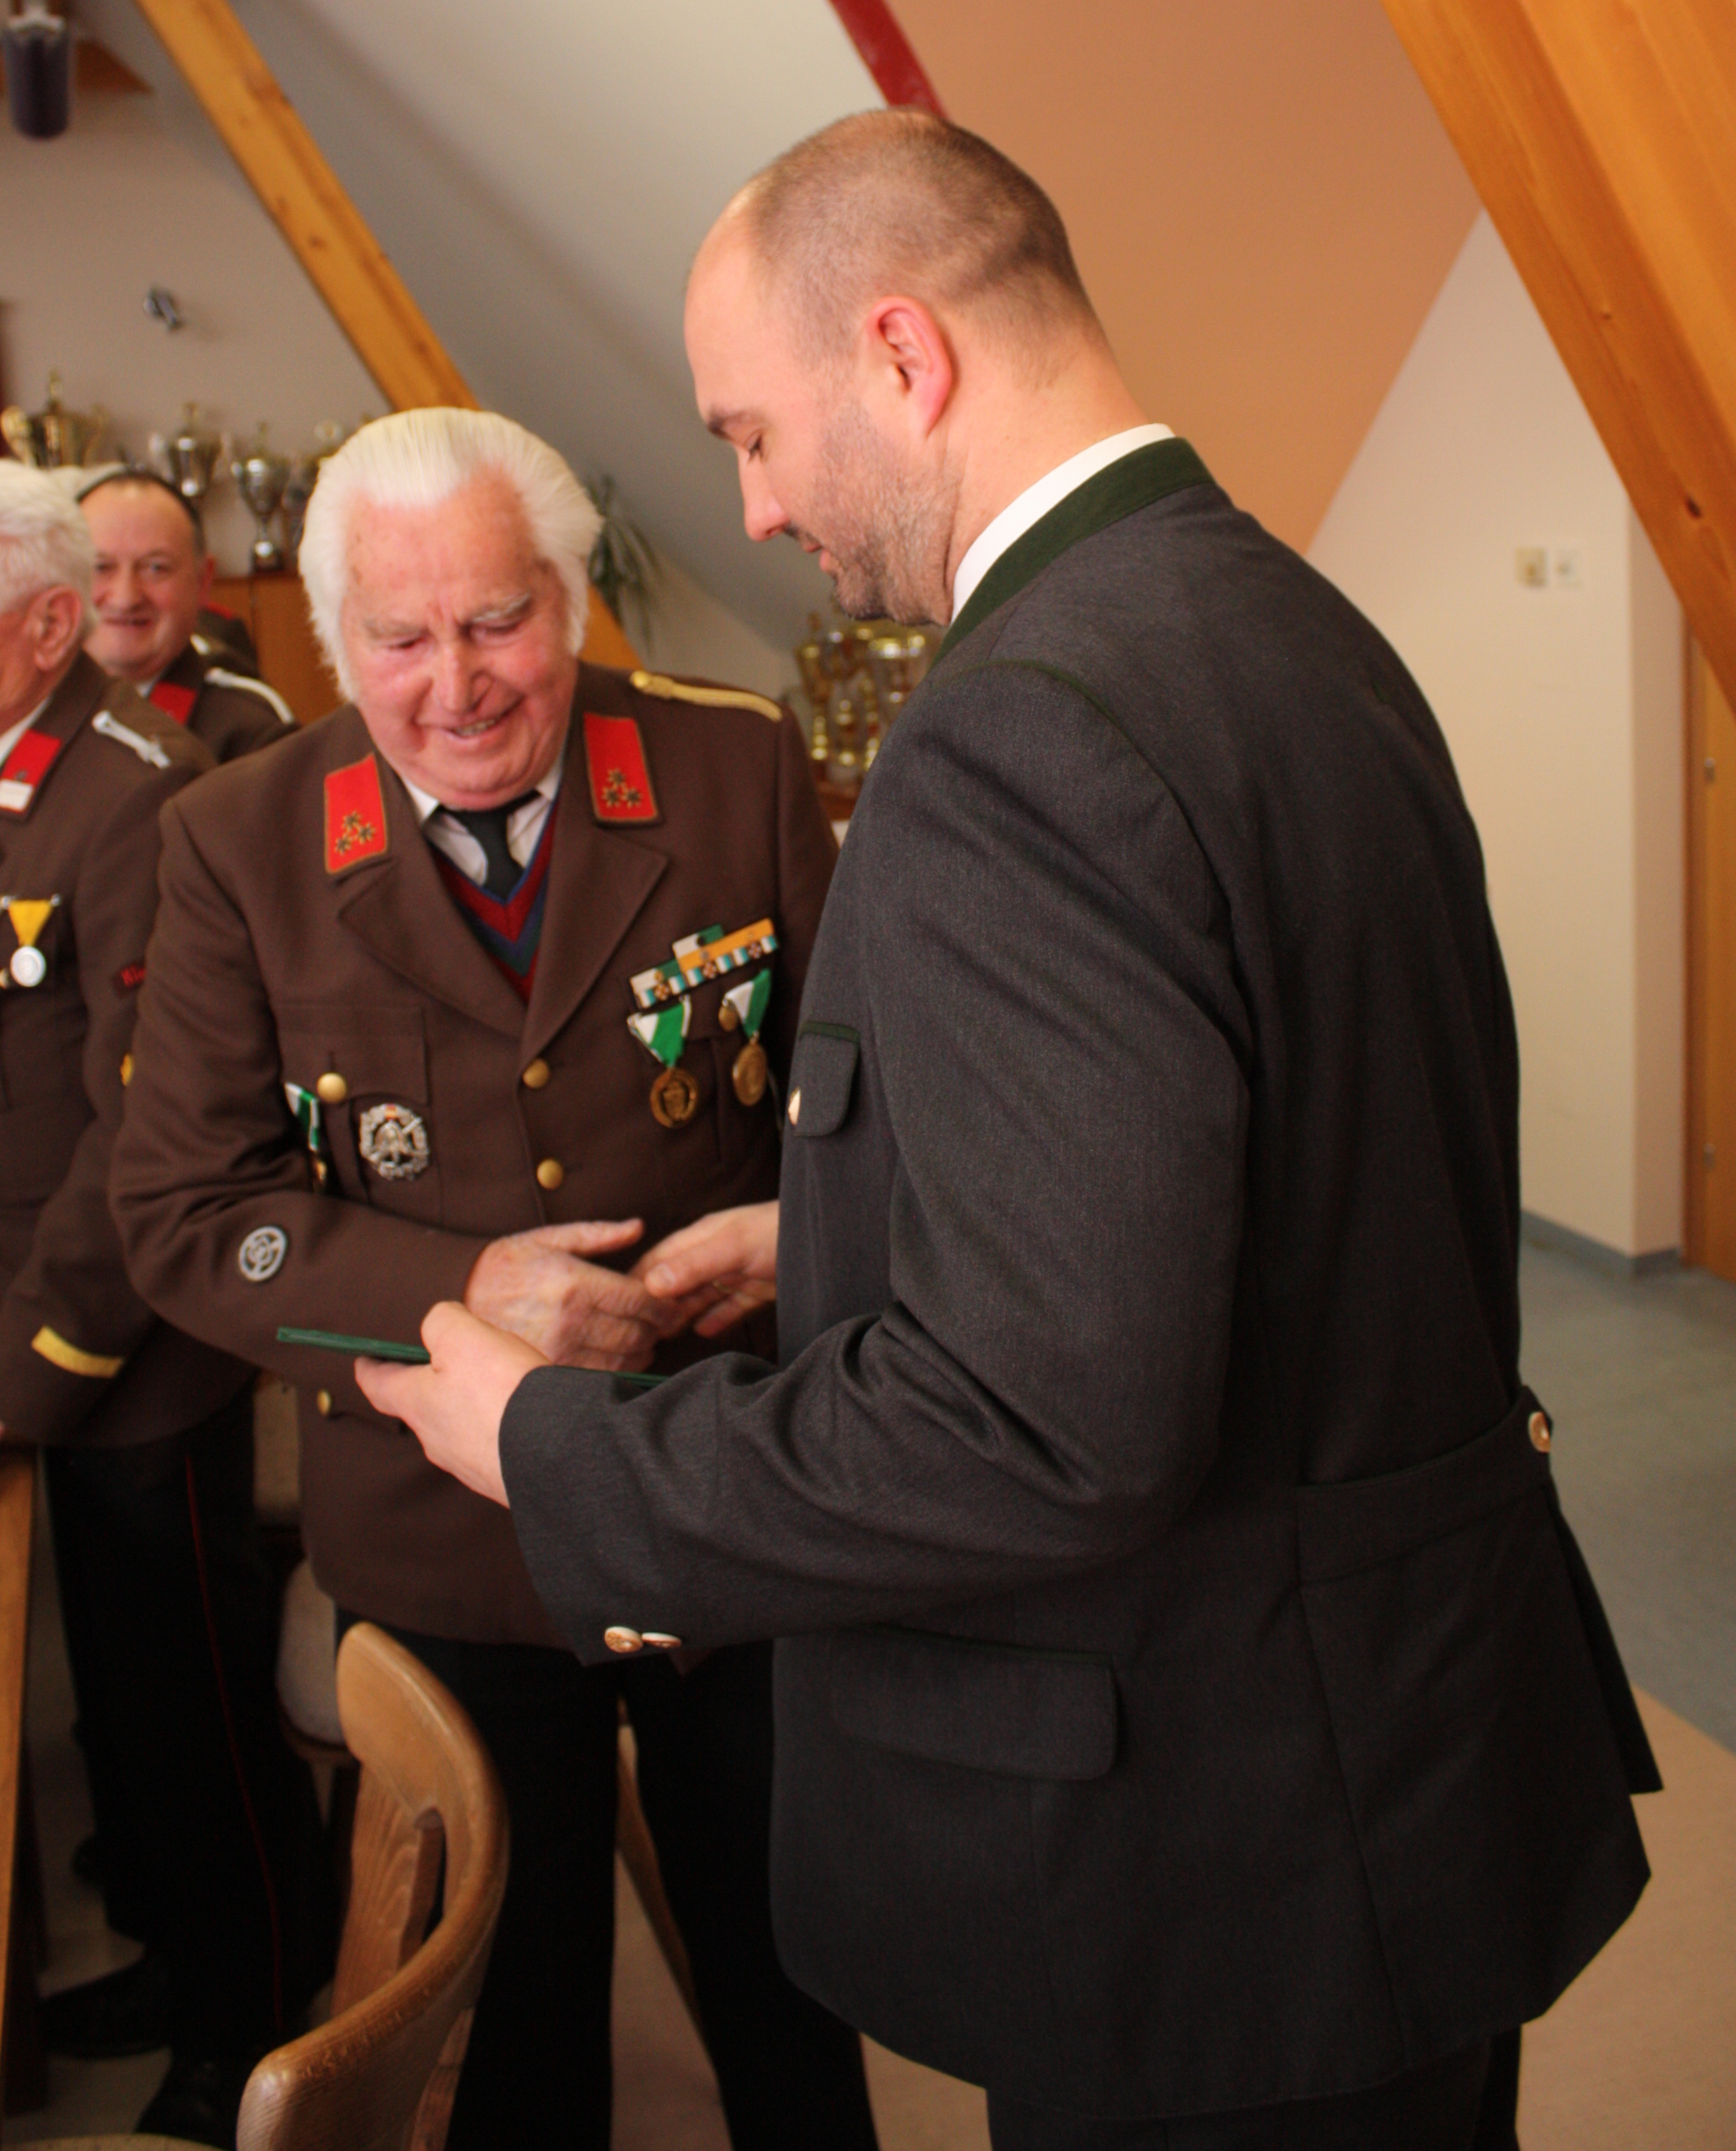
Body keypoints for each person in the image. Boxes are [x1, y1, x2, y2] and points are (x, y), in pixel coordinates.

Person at [359, 112, 1661, 2151]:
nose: (752, 505)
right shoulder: (1277, 620)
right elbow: (1290, 1161)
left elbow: (1041, 1426)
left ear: (901, 354)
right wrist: (841, 1230)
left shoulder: (1019, 725)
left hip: (1210, 1851)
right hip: (1392, 1756)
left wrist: (549, 1446)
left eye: (752, 433)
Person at [111, 408, 879, 2151]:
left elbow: (869, 1096)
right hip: (448, 1536)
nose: (453, 685)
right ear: (334, 639)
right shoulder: (237, 838)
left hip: (730, 1482)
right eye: (398, 636)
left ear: (569, 600)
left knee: (799, 1986)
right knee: (509, 2042)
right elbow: (185, 1206)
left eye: (495, 621)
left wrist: (802, 1228)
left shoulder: (731, 765)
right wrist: (461, 1290)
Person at [0, 460, 328, 2149]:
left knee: (188, 1717)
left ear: (44, 628)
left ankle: (255, 2004)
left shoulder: (138, 801)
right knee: (114, 1709)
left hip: (121, 1352)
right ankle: (176, 1954)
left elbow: (139, 1140)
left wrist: (16, 1376)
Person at [80, 466, 294, 761]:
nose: (125, 599)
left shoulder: (251, 730)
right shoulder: (37, 704)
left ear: (203, 580)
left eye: (156, 568)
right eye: (100, 567)